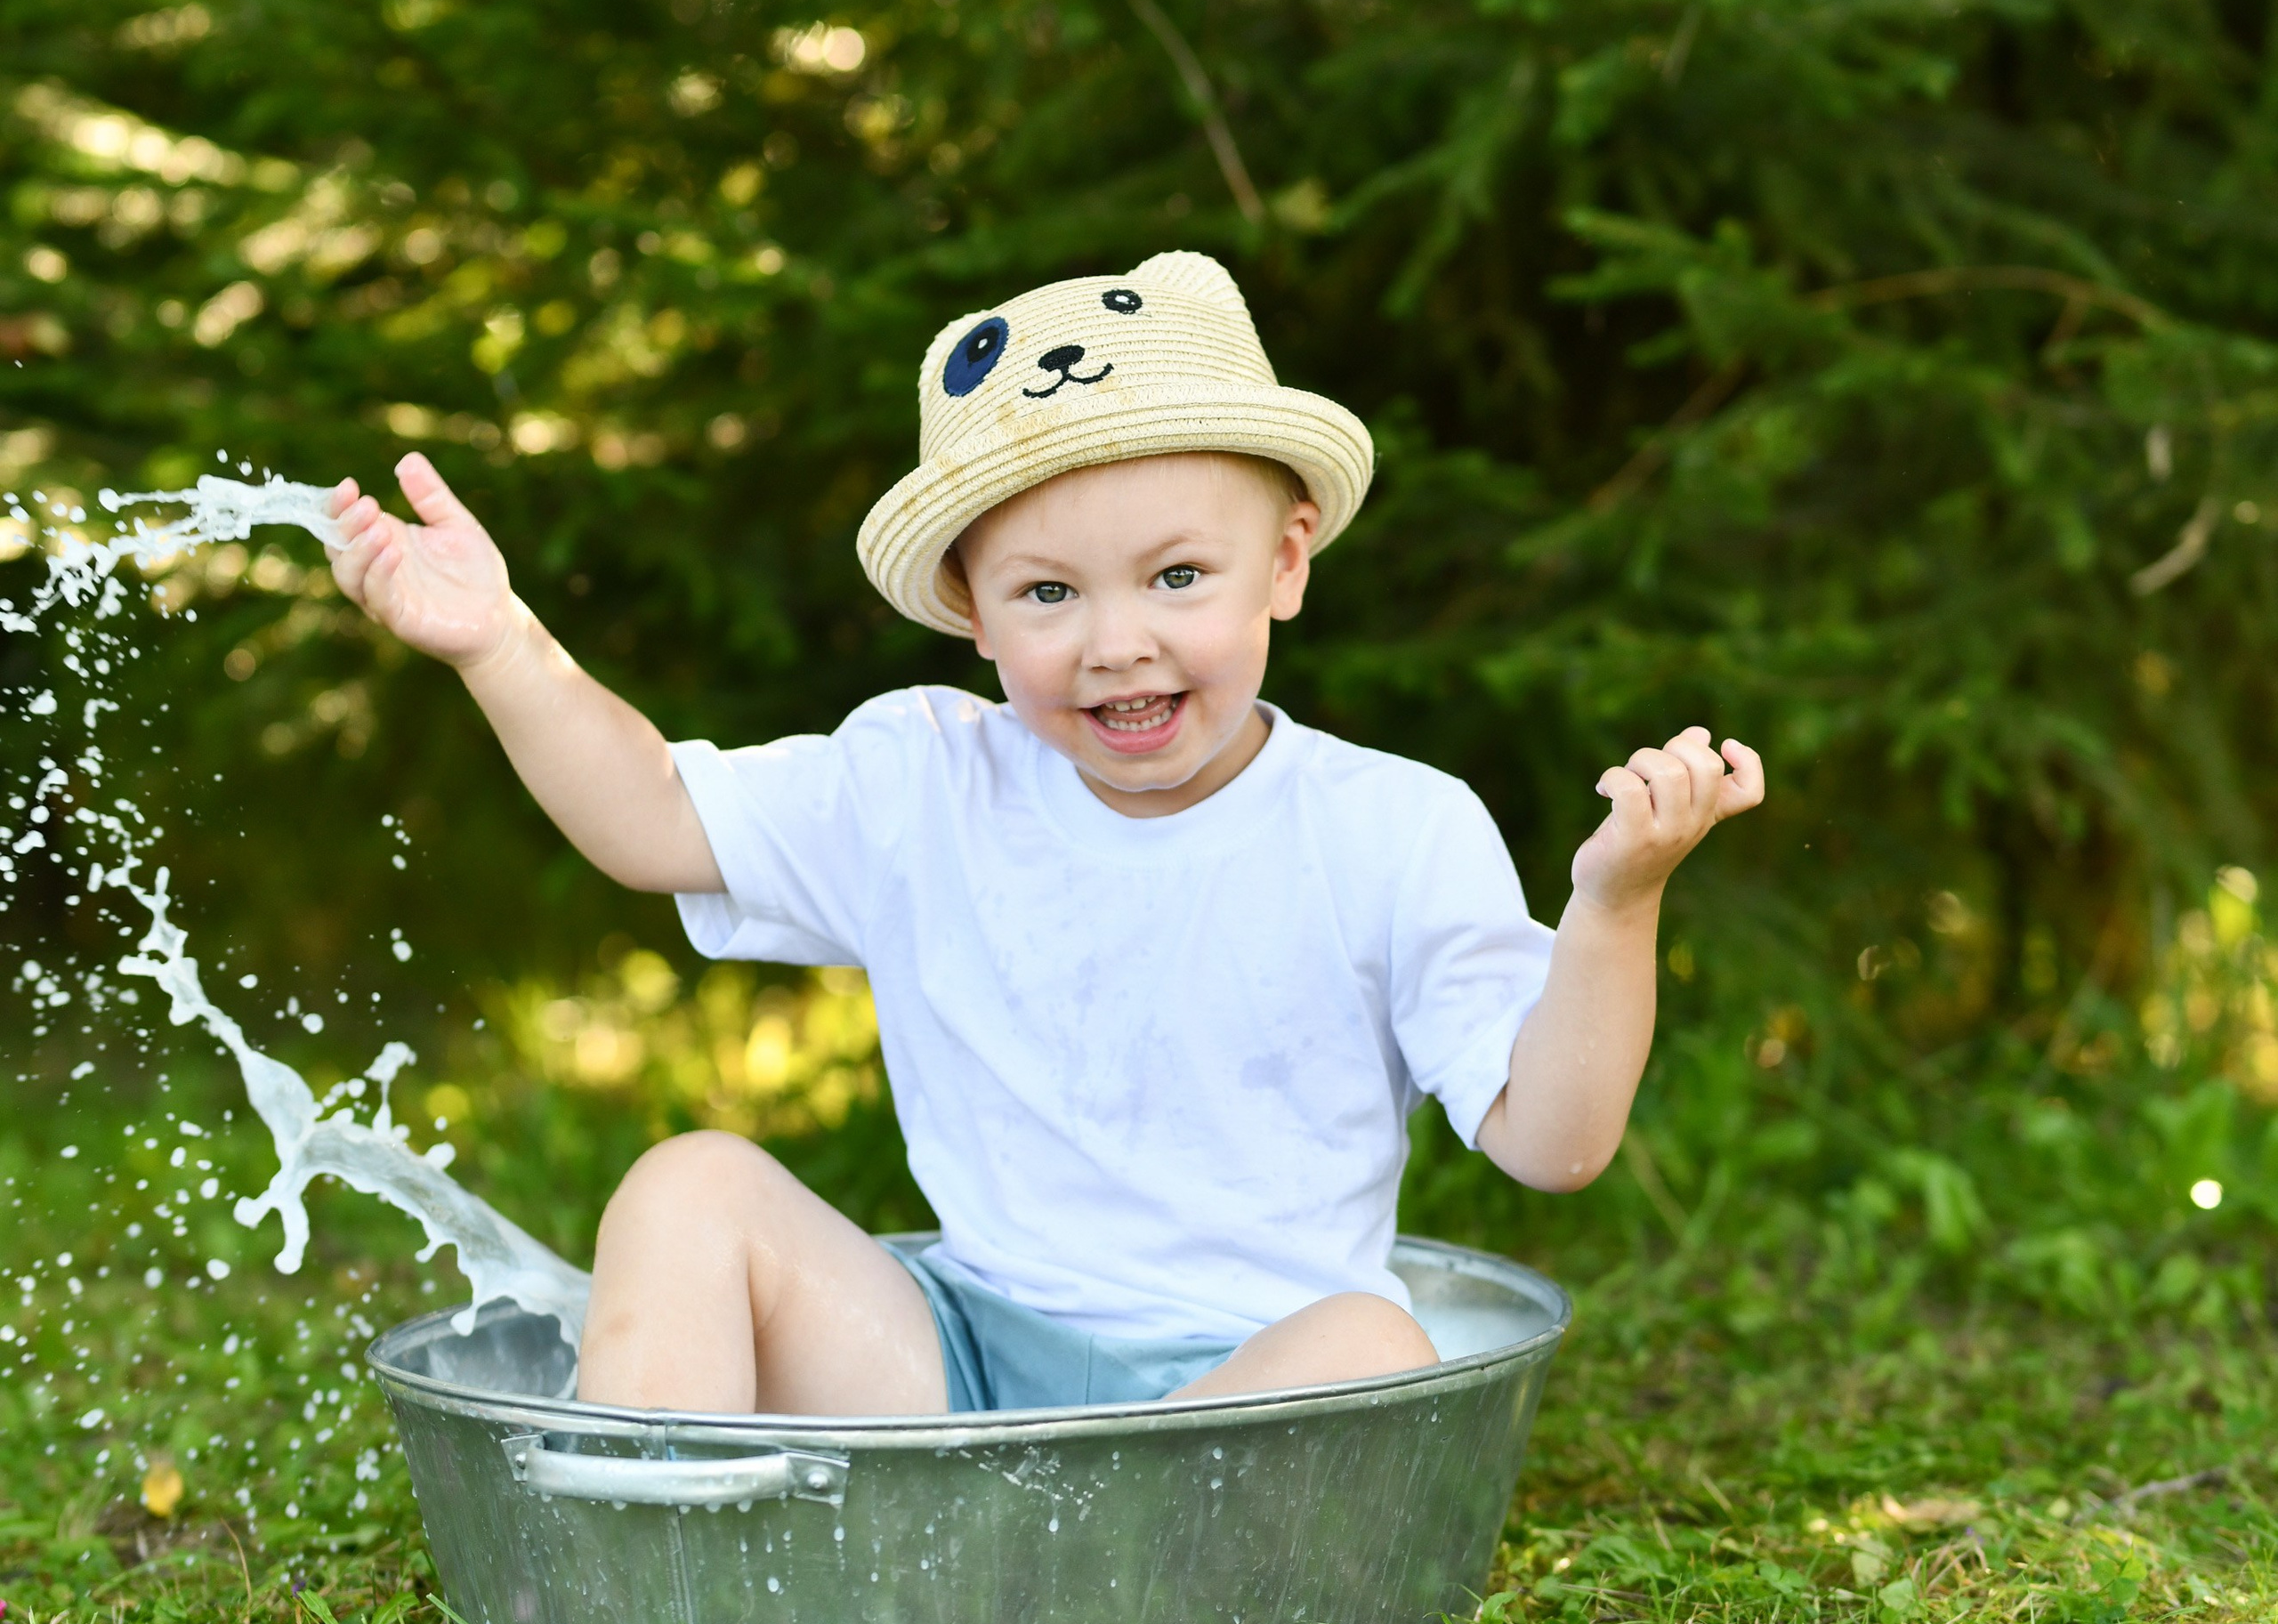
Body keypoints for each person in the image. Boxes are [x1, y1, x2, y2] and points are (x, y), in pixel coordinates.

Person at [325, 247, 1761, 1418]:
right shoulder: (925, 785)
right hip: (956, 1371)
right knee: (689, 1187)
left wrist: (1615, 905)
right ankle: (657, 1563)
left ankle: (1067, 1579)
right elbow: (649, 819)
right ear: (972, 610)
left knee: (1373, 1347)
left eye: (1178, 576)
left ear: (1286, 563)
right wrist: (499, 644)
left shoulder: (1391, 828)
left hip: (1247, 1383)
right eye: (1048, 594)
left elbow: (1555, 1142)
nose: (1116, 642)